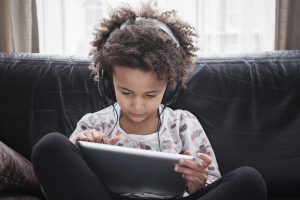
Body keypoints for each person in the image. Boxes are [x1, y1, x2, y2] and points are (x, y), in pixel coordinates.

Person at [31, 2, 267, 200]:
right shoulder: (93, 125)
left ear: (170, 87)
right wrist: (81, 152)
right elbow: (56, 185)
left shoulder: (184, 124)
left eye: (150, 95)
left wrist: (198, 183)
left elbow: (209, 186)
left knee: (249, 180)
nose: (137, 105)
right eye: (126, 92)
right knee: (50, 146)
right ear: (107, 82)